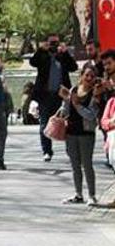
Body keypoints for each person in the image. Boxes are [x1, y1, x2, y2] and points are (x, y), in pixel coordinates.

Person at [59, 66, 104, 205]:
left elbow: (91, 115)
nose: (89, 78)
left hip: (86, 133)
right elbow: (66, 110)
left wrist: (77, 105)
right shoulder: (73, 90)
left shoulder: (95, 94)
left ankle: (92, 195)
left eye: (92, 76)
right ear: (81, 75)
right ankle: (78, 194)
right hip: (71, 132)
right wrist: (64, 105)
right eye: (87, 75)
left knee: (87, 164)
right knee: (75, 165)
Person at [30, 34, 78, 162]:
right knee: (44, 123)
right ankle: (47, 151)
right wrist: (40, 50)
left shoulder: (62, 56)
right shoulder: (43, 55)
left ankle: (71, 151)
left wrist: (66, 53)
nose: (53, 45)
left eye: (56, 42)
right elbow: (32, 62)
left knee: (68, 123)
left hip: (61, 95)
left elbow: (74, 67)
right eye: (51, 42)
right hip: (45, 95)